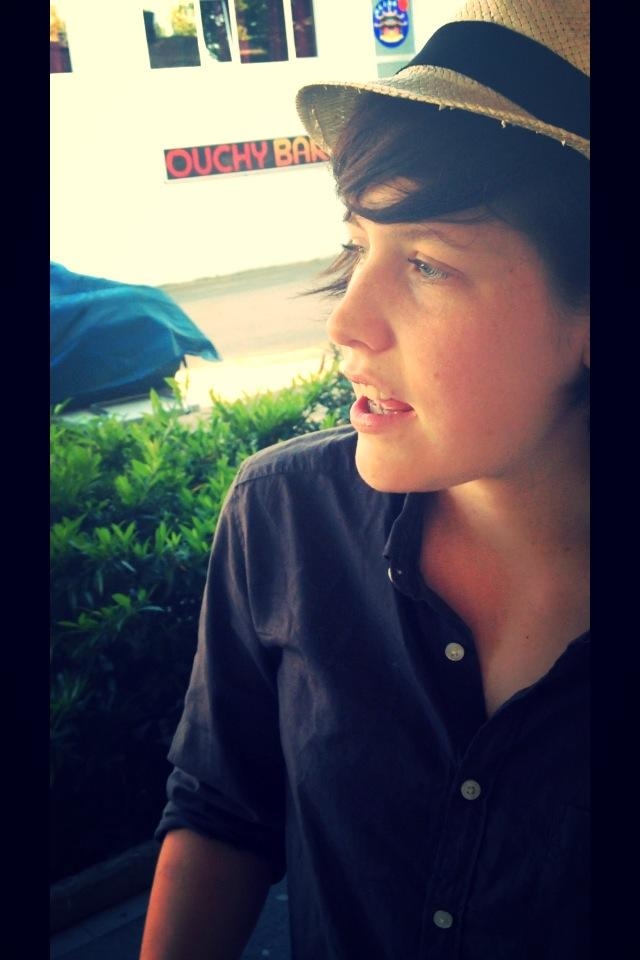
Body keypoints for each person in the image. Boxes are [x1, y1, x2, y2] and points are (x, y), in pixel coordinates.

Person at [140, 0, 590, 957]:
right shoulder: (283, 516)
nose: (345, 322)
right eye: (358, 244)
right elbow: (222, 810)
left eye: (426, 263)